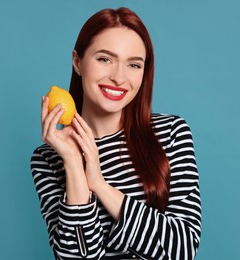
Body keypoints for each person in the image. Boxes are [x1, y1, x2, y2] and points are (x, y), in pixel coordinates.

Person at [30, 7, 201, 259]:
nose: (119, 78)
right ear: (77, 62)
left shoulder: (171, 134)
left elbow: (182, 248)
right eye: (105, 59)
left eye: (133, 64)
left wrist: (99, 184)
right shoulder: (48, 160)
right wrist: (75, 165)